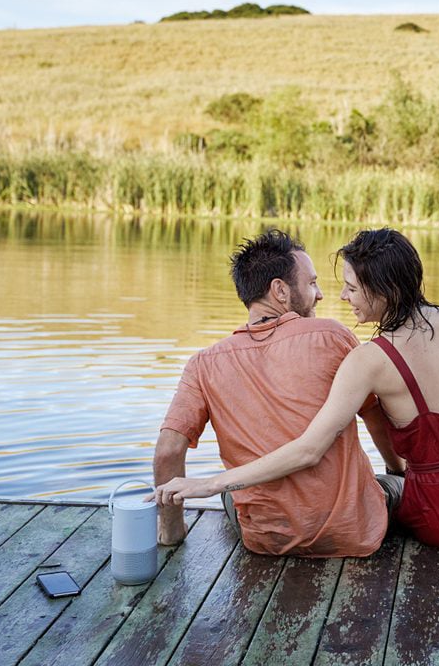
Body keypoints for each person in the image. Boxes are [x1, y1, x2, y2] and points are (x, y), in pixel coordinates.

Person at [154, 227, 439, 550]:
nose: (338, 297)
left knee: (237, 499)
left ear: (383, 290)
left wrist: (206, 487)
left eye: (351, 288)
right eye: (324, 284)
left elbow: (307, 450)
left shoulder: (369, 360)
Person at [151, 229, 402, 558]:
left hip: (267, 541)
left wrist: (171, 531)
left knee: (232, 496)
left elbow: (168, 452)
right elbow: (375, 418)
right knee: (397, 484)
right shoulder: (333, 336)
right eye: (312, 283)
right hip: (351, 531)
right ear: (280, 290)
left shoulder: (203, 364)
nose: (321, 294)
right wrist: (395, 469)